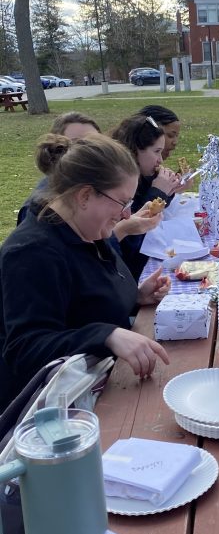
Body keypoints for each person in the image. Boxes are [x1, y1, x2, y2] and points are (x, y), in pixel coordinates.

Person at [0, 134, 170, 414]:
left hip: (103, 382)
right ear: (84, 195)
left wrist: (136, 297)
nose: (127, 214)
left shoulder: (85, 229)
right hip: (53, 413)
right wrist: (106, 335)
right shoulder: (32, 252)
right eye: (122, 202)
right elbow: (25, 349)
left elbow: (87, 300)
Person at [110, 114, 181, 279]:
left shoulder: (145, 177)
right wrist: (159, 192)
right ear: (135, 150)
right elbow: (130, 242)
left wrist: (169, 189)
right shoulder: (119, 185)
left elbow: (155, 201)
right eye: (156, 151)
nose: (160, 160)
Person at [17, 112, 102, 225]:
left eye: (95, 141)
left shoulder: (104, 185)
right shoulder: (40, 208)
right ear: (56, 147)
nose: (89, 150)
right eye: (77, 143)